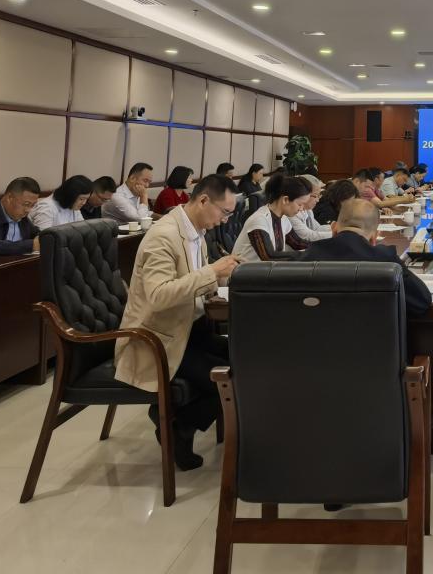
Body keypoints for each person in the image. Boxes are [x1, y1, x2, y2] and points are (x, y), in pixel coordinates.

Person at [115, 173, 241, 471]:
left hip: (190, 329)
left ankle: (181, 421)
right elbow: (159, 296)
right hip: (159, 339)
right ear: (203, 200)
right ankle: (180, 426)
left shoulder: (196, 231)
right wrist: (212, 272)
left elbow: (195, 284)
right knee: (233, 380)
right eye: (224, 212)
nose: (224, 221)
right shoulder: (164, 236)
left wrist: (224, 277)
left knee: (248, 362)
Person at [300, 198, 432, 317]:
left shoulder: (309, 255)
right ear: (374, 237)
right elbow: (422, 302)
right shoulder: (386, 259)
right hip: (375, 335)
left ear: (334, 228)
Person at [233, 173, 311, 261]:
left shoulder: (283, 218)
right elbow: (269, 257)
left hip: (266, 269)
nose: (302, 209)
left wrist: (320, 247)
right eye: (300, 204)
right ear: (285, 200)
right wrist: (306, 254)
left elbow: (297, 243)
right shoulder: (259, 220)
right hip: (244, 269)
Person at [291, 175, 333, 243]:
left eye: (319, 196)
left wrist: (336, 227)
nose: (318, 200)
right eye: (315, 196)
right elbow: (307, 236)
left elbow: (316, 228)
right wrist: (335, 233)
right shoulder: (292, 211)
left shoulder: (308, 209)